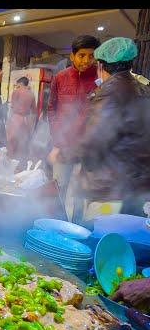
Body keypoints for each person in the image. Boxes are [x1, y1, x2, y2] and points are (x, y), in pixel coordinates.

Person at [66, 37, 150, 222]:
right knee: (124, 242)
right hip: (138, 187)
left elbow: (95, 141)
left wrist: (66, 155)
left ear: (101, 66)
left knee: (96, 240)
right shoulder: (144, 90)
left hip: (110, 189)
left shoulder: (112, 91)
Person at [46, 35, 101, 199]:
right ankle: (57, 222)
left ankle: (78, 224)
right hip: (64, 147)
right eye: (82, 55)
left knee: (81, 196)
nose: (86, 60)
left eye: (91, 56)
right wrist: (57, 140)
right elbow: (51, 109)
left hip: (89, 149)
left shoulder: (100, 78)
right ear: (72, 56)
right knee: (59, 190)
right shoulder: (60, 78)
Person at [6, 76, 37, 165]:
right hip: (25, 120)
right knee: (22, 144)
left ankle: (9, 164)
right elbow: (34, 112)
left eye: (17, 85)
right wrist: (31, 126)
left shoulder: (16, 92)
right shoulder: (31, 94)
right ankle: (20, 167)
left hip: (16, 118)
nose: (17, 87)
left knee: (11, 143)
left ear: (21, 84)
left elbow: (12, 108)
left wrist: (8, 121)